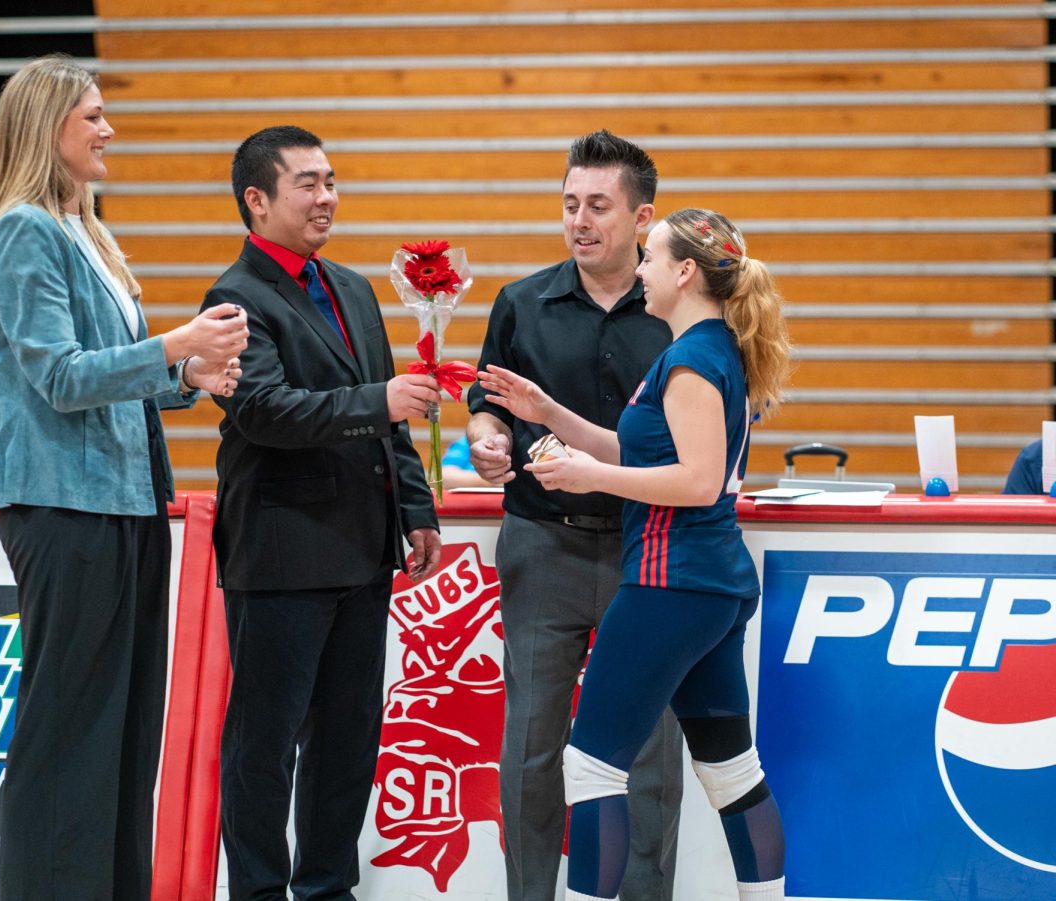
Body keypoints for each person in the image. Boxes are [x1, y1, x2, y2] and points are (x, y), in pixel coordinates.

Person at [0, 55, 248, 900]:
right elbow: (59, 376)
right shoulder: (24, 231)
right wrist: (176, 345)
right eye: (92, 115)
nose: (108, 129)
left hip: (124, 504)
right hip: (61, 504)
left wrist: (183, 380)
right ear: (47, 124)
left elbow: (106, 374)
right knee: (70, 733)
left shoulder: (86, 231)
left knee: (126, 729)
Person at [478, 208, 792, 901]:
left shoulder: (690, 359)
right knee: (732, 773)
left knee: (591, 769)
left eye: (650, 258)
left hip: (669, 582)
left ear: (685, 272)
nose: (640, 271)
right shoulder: (705, 351)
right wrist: (547, 410)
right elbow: (642, 452)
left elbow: (698, 481)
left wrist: (591, 479)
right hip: (707, 583)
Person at [203, 125, 442, 901]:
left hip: (361, 553)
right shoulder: (234, 299)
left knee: (347, 746)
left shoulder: (352, 287)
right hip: (280, 556)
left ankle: (329, 889)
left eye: (331, 180)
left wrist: (416, 508)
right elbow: (263, 411)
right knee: (263, 749)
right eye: (307, 183)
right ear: (257, 199)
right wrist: (379, 401)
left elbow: (392, 421)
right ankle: (260, 892)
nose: (326, 197)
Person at [466, 129, 683, 901]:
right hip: (541, 548)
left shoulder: (679, 314)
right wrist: (487, 443)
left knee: (652, 752)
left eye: (598, 205)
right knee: (530, 749)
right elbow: (483, 413)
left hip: (648, 550)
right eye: (569, 204)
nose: (579, 220)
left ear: (641, 216)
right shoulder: (521, 301)